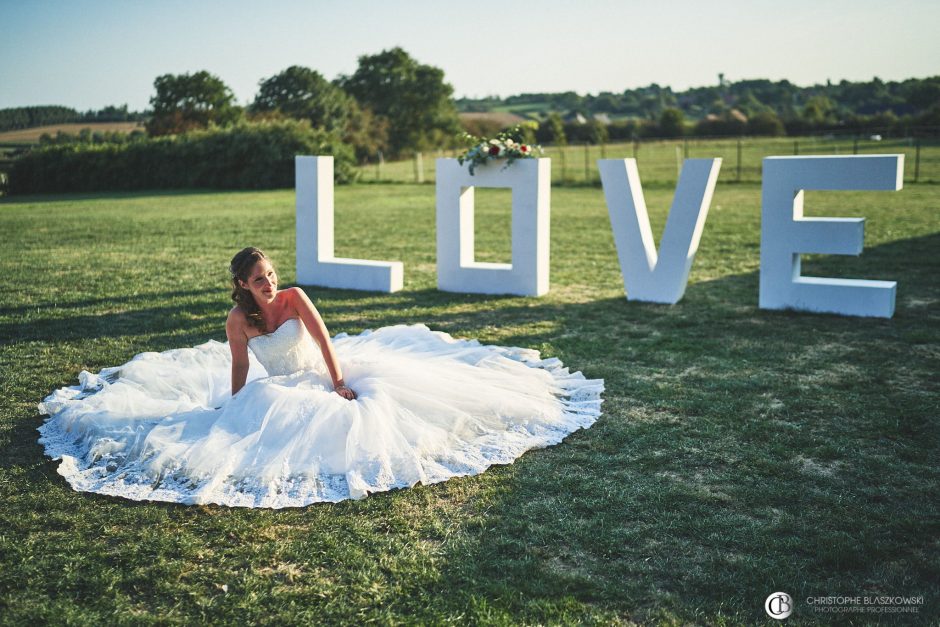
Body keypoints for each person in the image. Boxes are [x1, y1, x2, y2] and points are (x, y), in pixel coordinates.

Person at [38, 247, 604, 508]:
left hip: (317, 374)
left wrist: (336, 381)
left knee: (353, 419)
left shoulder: (296, 297)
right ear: (241, 285)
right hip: (275, 386)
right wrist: (233, 406)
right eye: (259, 279)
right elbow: (239, 366)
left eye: (271, 274)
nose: (269, 283)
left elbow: (327, 340)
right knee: (247, 427)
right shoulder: (239, 319)